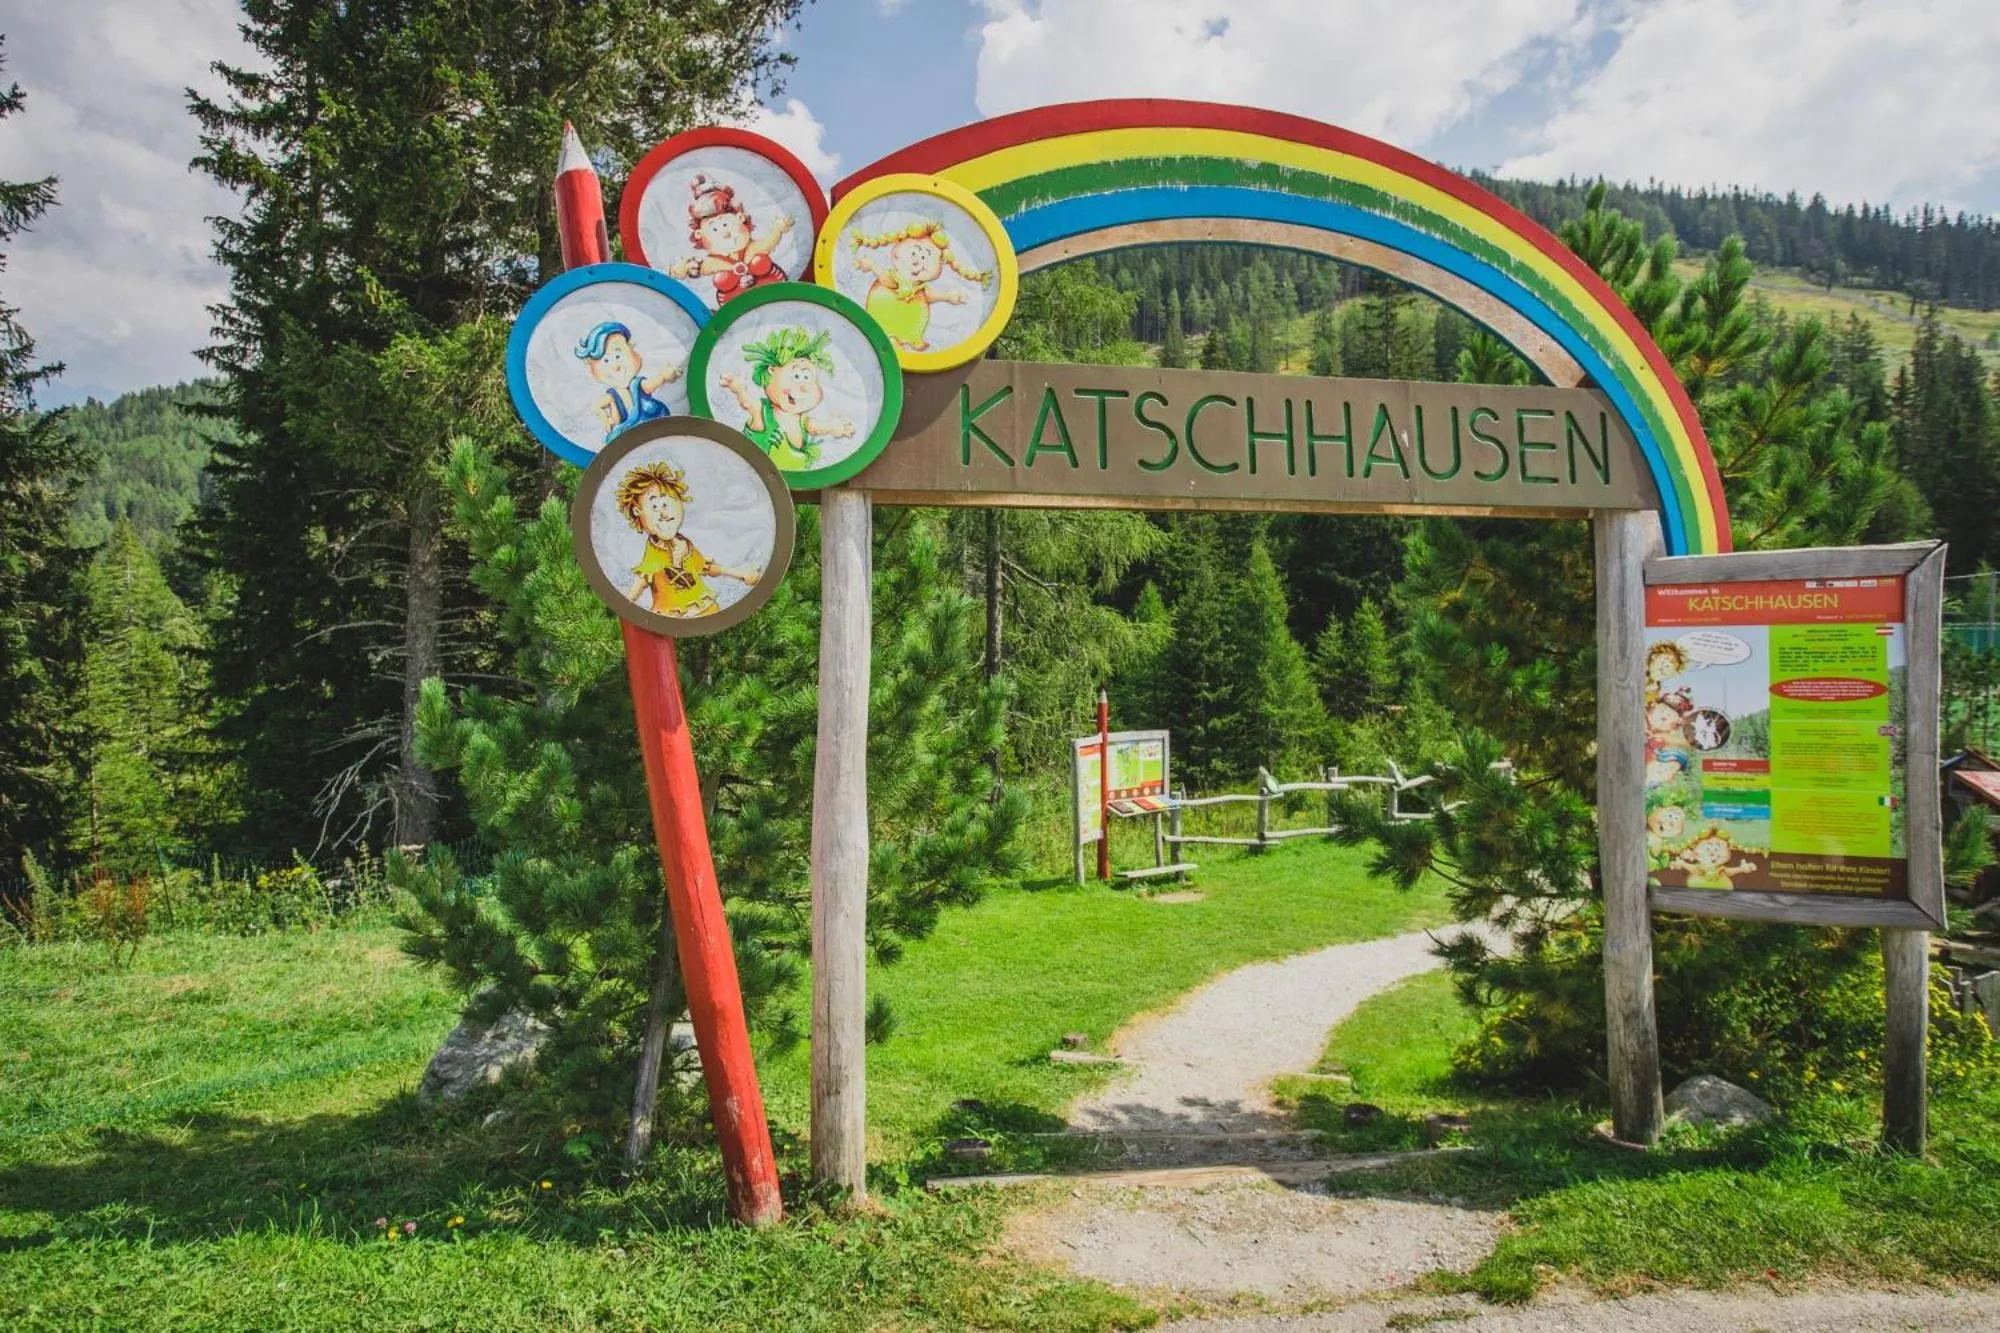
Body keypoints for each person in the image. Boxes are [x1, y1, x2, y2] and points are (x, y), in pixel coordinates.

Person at [615, 460, 761, 618]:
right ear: (638, 511)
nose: (663, 513)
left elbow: (706, 567)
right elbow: (643, 579)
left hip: (705, 609)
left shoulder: (684, 542)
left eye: (666, 505)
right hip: (670, 615)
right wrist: (627, 603)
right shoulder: (654, 552)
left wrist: (740, 573)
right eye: (655, 507)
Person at [715, 326, 855, 472]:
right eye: (797, 376)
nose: (803, 387)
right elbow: (746, 403)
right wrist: (738, 388)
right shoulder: (763, 411)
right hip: (751, 472)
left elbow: (820, 427)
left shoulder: (803, 422)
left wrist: (834, 427)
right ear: (772, 371)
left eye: (808, 378)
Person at [847, 219, 991, 352]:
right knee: (887, 328)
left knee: (915, 319)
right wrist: (872, 266)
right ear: (897, 253)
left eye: (925, 257)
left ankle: (913, 339)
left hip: (908, 321)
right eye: (914, 252)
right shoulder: (894, 277)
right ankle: (890, 338)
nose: (918, 260)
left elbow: (930, 295)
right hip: (885, 312)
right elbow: (885, 279)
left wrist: (948, 296)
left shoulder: (920, 287)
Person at [668, 173, 792, 304]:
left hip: (775, 298)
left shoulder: (754, 248)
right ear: (699, 234)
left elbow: (769, 241)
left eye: (725, 224)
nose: (725, 233)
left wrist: (778, 228)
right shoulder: (714, 262)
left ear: (740, 218)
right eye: (714, 229)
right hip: (738, 311)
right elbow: (698, 268)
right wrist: (684, 268)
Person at [575, 321, 679, 442]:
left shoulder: (637, 385)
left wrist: (663, 376)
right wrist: (606, 418)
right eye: (606, 361)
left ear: (633, 352)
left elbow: (650, 385)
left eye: (618, 356)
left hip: (654, 425)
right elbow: (597, 406)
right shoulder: (612, 396)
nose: (615, 366)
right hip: (633, 436)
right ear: (592, 370)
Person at [1672, 827, 1759, 891]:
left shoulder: (1720, 869)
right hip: (1697, 887)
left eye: (1717, 849)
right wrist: (1682, 864)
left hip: (1723, 889)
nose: (1713, 852)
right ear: (1696, 853)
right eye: (1708, 848)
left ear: (1728, 853)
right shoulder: (1700, 867)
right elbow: (1693, 869)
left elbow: (1729, 872)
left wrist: (1741, 869)